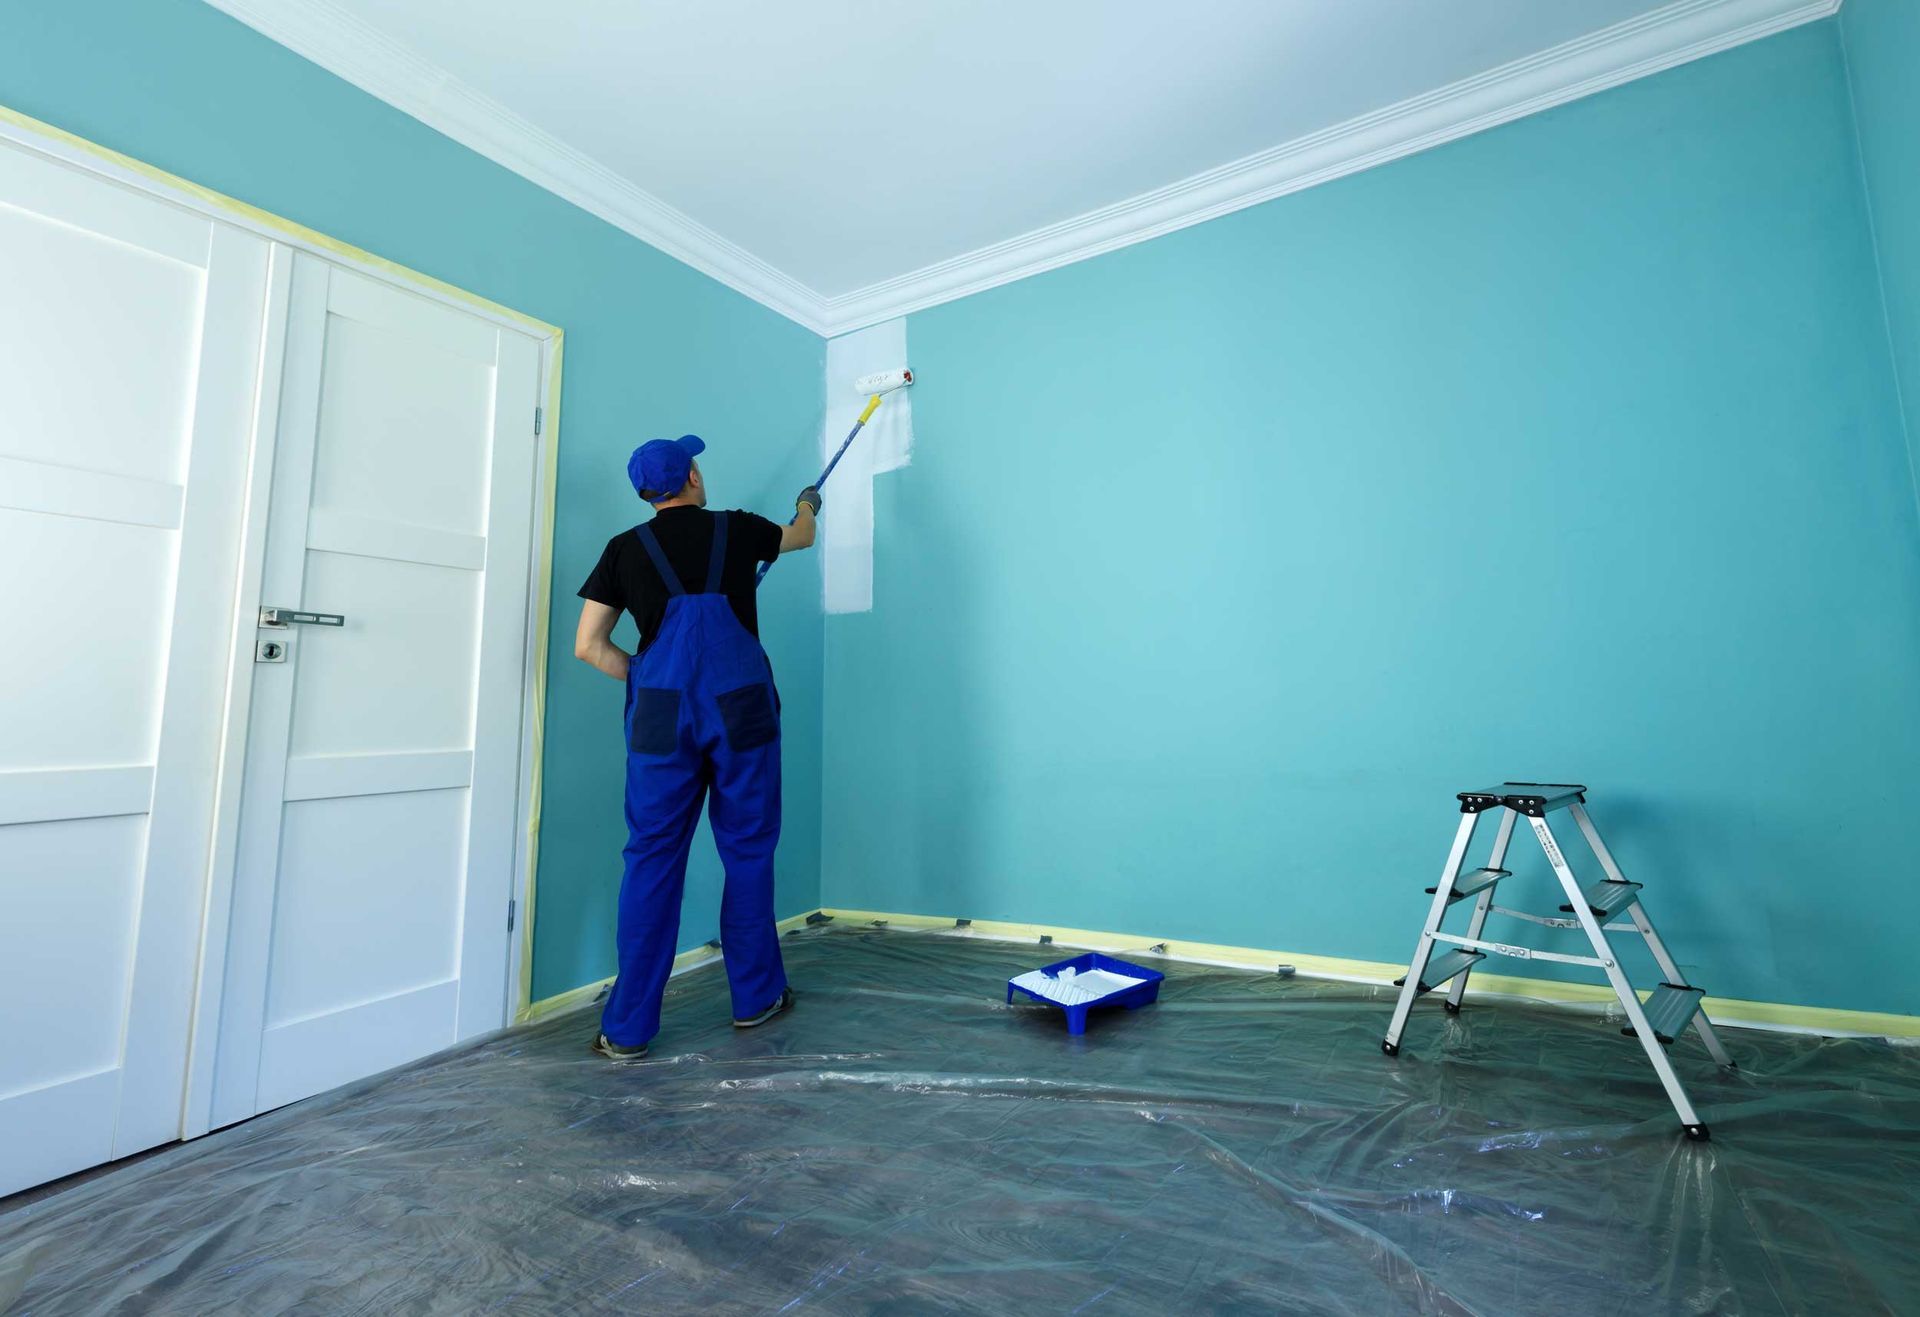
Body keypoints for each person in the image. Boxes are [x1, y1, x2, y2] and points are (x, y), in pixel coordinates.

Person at [574, 433, 821, 1059]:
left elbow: (589, 647)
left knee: (652, 855)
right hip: (739, 706)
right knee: (747, 848)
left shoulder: (623, 550)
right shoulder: (736, 528)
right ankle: (755, 999)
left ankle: (627, 1028)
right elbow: (799, 538)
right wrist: (808, 508)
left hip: (660, 713)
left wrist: (654, 676)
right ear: (691, 479)